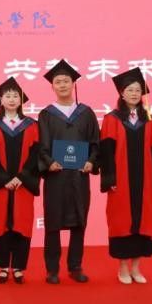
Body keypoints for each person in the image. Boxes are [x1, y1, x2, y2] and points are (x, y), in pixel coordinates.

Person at [99, 68, 152, 284]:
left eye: (137, 90)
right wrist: (109, 178)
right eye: (130, 90)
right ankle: (123, 268)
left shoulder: (149, 120)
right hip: (121, 181)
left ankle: (136, 268)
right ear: (122, 93)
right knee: (121, 221)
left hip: (144, 182)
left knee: (143, 221)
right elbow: (106, 151)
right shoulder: (112, 119)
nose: (135, 93)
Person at [37, 59, 100, 284]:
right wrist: (49, 162)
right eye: (58, 82)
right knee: (53, 223)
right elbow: (41, 145)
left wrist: (91, 161)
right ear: (52, 86)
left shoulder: (86, 113)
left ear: (73, 84)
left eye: (66, 81)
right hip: (56, 176)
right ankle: (52, 269)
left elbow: (95, 143)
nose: (62, 85)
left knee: (79, 221)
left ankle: (75, 266)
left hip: (79, 176)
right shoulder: (46, 114)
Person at [0, 77, 40, 284]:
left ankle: (18, 267)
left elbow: (35, 154)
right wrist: (4, 179)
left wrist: (21, 177)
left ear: (21, 100)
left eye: (16, 96)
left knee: (22, 222)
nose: (12, 99)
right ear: (0, 100)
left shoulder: (32, 125)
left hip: (24, 184)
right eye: (8, 96)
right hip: (1, 185)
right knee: (1, 223)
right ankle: (3, 266)